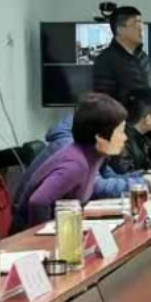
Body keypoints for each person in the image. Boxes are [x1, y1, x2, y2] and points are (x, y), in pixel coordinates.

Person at [18, 93, 128, 228]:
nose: (125, 138)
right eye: (120, 132)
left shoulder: (94, 156)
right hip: (30, 235)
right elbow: (38, 201)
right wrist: (45, 234)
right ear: (100, 136)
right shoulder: (76, 164)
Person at [91, 6, 151, 101]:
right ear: (120, 30)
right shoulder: (106, 60)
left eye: (141, 23)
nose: (141, 29)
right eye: (136, 24)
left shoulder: (143, 57)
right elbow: (104, 102)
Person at [106, 87, 151, 177]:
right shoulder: (120, 140)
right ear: (148, 118)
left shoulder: (141, 139)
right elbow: (126, 175)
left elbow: (148, 169)